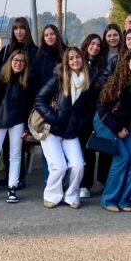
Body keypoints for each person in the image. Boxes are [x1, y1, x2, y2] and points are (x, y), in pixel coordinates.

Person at [34, 46, 93, 208]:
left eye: (77, 57)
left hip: (71, 132)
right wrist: (54, 118)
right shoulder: (58, 78)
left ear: (82, 59)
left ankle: (72, 195)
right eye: (71, 58)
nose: (75, 61)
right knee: (59, 166)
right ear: (66, 62)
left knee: (78, 166)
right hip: (52, 130)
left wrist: (80, 123)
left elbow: (89, 109)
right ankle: (51, 195)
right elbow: (40, 100)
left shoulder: (88, 81)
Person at [94, 47, 131, 212]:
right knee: (123, 157)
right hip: (106, 123)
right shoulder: (116, 81)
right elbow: (102, 109)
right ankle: (109, 199)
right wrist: (117, 128)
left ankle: (124, 199)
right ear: (127, 62)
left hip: (127, 127)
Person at [0, 50, 34, 204]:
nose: (18, 63)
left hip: (18, 122)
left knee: (16, 155)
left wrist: (27, 127)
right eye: (16, 60)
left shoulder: (26, 81)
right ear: (10, 61)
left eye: (22, 61)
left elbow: (28, 105)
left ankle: (12, 187)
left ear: (25, 64)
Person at [79, 33, 111, 198]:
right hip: (82, 113)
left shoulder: (103, 65)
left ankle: (103, 181)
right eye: (92, 44)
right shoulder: (78, 63)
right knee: (87, 149)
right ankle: (85, 184)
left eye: (98, 45)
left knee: (105, 147)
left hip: (100, 112)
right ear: (86, 44)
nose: (95, 47)